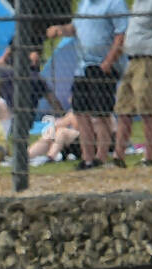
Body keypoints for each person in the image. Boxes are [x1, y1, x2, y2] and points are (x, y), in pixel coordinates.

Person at [46, 0, 129, 171]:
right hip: (82, 67)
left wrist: (109, 61)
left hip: (103, 66)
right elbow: (75, 28)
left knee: (101, 114)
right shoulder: (84, 4)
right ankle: (88, 158)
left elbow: (121, 34)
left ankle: (101, 157)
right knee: (81, 112)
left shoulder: (114, 4)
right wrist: (60, 30)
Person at [113, 0, 152, 166]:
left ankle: (148, 158)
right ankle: (118, 158)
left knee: (146, 109)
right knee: (123, 109)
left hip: (148, 60)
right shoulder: (136, 4)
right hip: (132, 60)